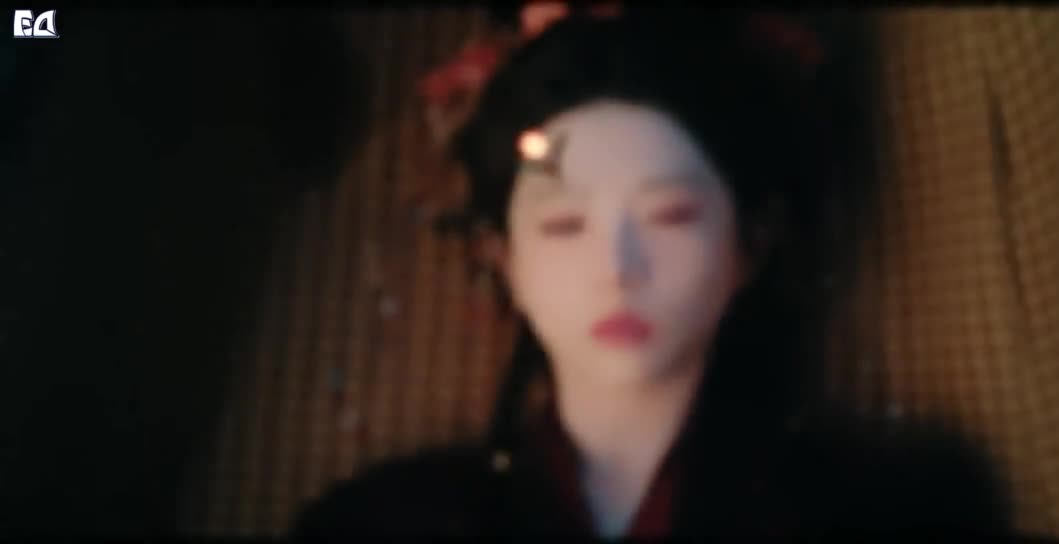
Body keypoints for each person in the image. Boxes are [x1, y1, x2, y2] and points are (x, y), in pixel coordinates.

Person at [290, 8, 1009, 540]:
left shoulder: (895, 510)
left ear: (749, 247)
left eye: (670, 216)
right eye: (564, 226)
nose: (618, 269)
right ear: (503, 258)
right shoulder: (378, 522)